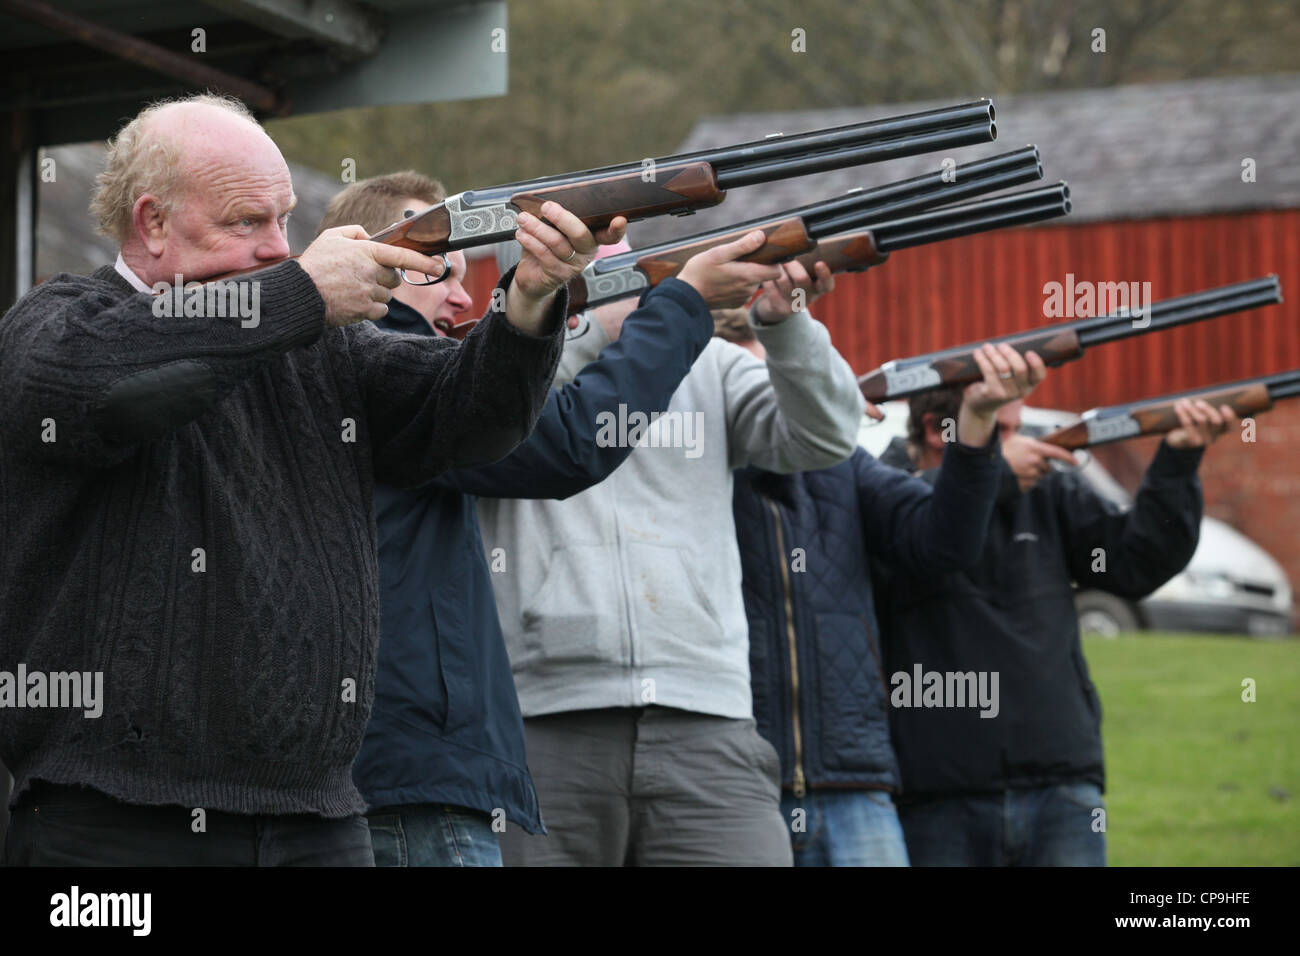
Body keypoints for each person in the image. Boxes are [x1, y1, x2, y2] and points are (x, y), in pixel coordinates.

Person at [0, 93, 617, 866]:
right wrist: (297, 297)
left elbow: (467, 415)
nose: (277, 246)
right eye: (245, 222)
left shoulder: (318, 349)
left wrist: (530, 300)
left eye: (282, 220)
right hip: (113, 823)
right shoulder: (59, 322)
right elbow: (95, 385)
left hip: (316, 821)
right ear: (152, 222)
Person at [317, 173, 782, 866]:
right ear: (367, 262)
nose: (459, 294)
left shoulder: (344, 368)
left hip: (400, 768)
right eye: (435, 271)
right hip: (412, 779)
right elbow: (573, 444)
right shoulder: (381, 373)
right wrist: (680, 303)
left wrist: (554, 300)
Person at [474, 248, 865, 867]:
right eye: (600, 270)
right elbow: (491, 411)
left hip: (708, 717)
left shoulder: (708, 363)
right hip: (539, 721)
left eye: (630, 263)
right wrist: (583, 331)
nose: (624, 281)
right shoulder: (487, 375)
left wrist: (786, 323)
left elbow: (827, 437)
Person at [722, 314, 1048, 866]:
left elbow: (943, 543)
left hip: (855, 779)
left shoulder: (844, 466)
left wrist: (976, 422)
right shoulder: (697, 469)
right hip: (733, 786)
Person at [875, 387, 1234, 866]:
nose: (1019, 443)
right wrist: (991, 477)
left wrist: (1178, 459)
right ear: (936, 432)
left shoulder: (1047, 491)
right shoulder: (888, 496)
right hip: (939, 793)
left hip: (1059, 781)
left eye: (1018, 428)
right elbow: (913, 537)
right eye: (1000, 431)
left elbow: (1134, 564)